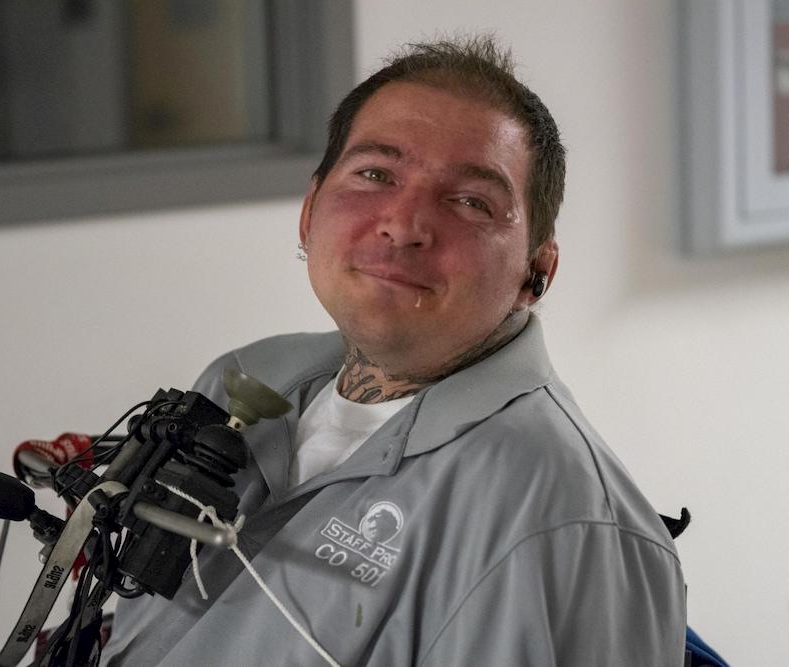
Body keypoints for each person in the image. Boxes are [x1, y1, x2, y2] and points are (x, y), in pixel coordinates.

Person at [102, 37, 686, 666]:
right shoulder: (241, 378)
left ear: (535, 273)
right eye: (375, 174)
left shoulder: (560, 520)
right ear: (308, 213)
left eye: (471, 202)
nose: (403, 224)